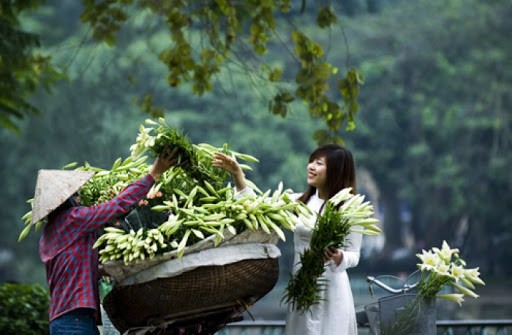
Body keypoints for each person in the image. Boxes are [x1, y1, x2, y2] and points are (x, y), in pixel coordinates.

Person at [213, 144, 362, 335]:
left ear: (336, 170)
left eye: (319, 163)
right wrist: (238, 175)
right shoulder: (299, 201)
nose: (311, 166)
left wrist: (339, 257)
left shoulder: (350, 208)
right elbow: (257, 207)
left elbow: (354, 254)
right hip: (301, 287)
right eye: (311, 161)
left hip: (331, 291)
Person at [32, 152, 177, 335]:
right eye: (76, 196)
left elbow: (74, 268)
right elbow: (117, 205)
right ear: (65, 201)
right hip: (74, 321)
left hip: (66, 319)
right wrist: (153, 174)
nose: (79, 199)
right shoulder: (73, 219)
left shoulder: (49, 233)